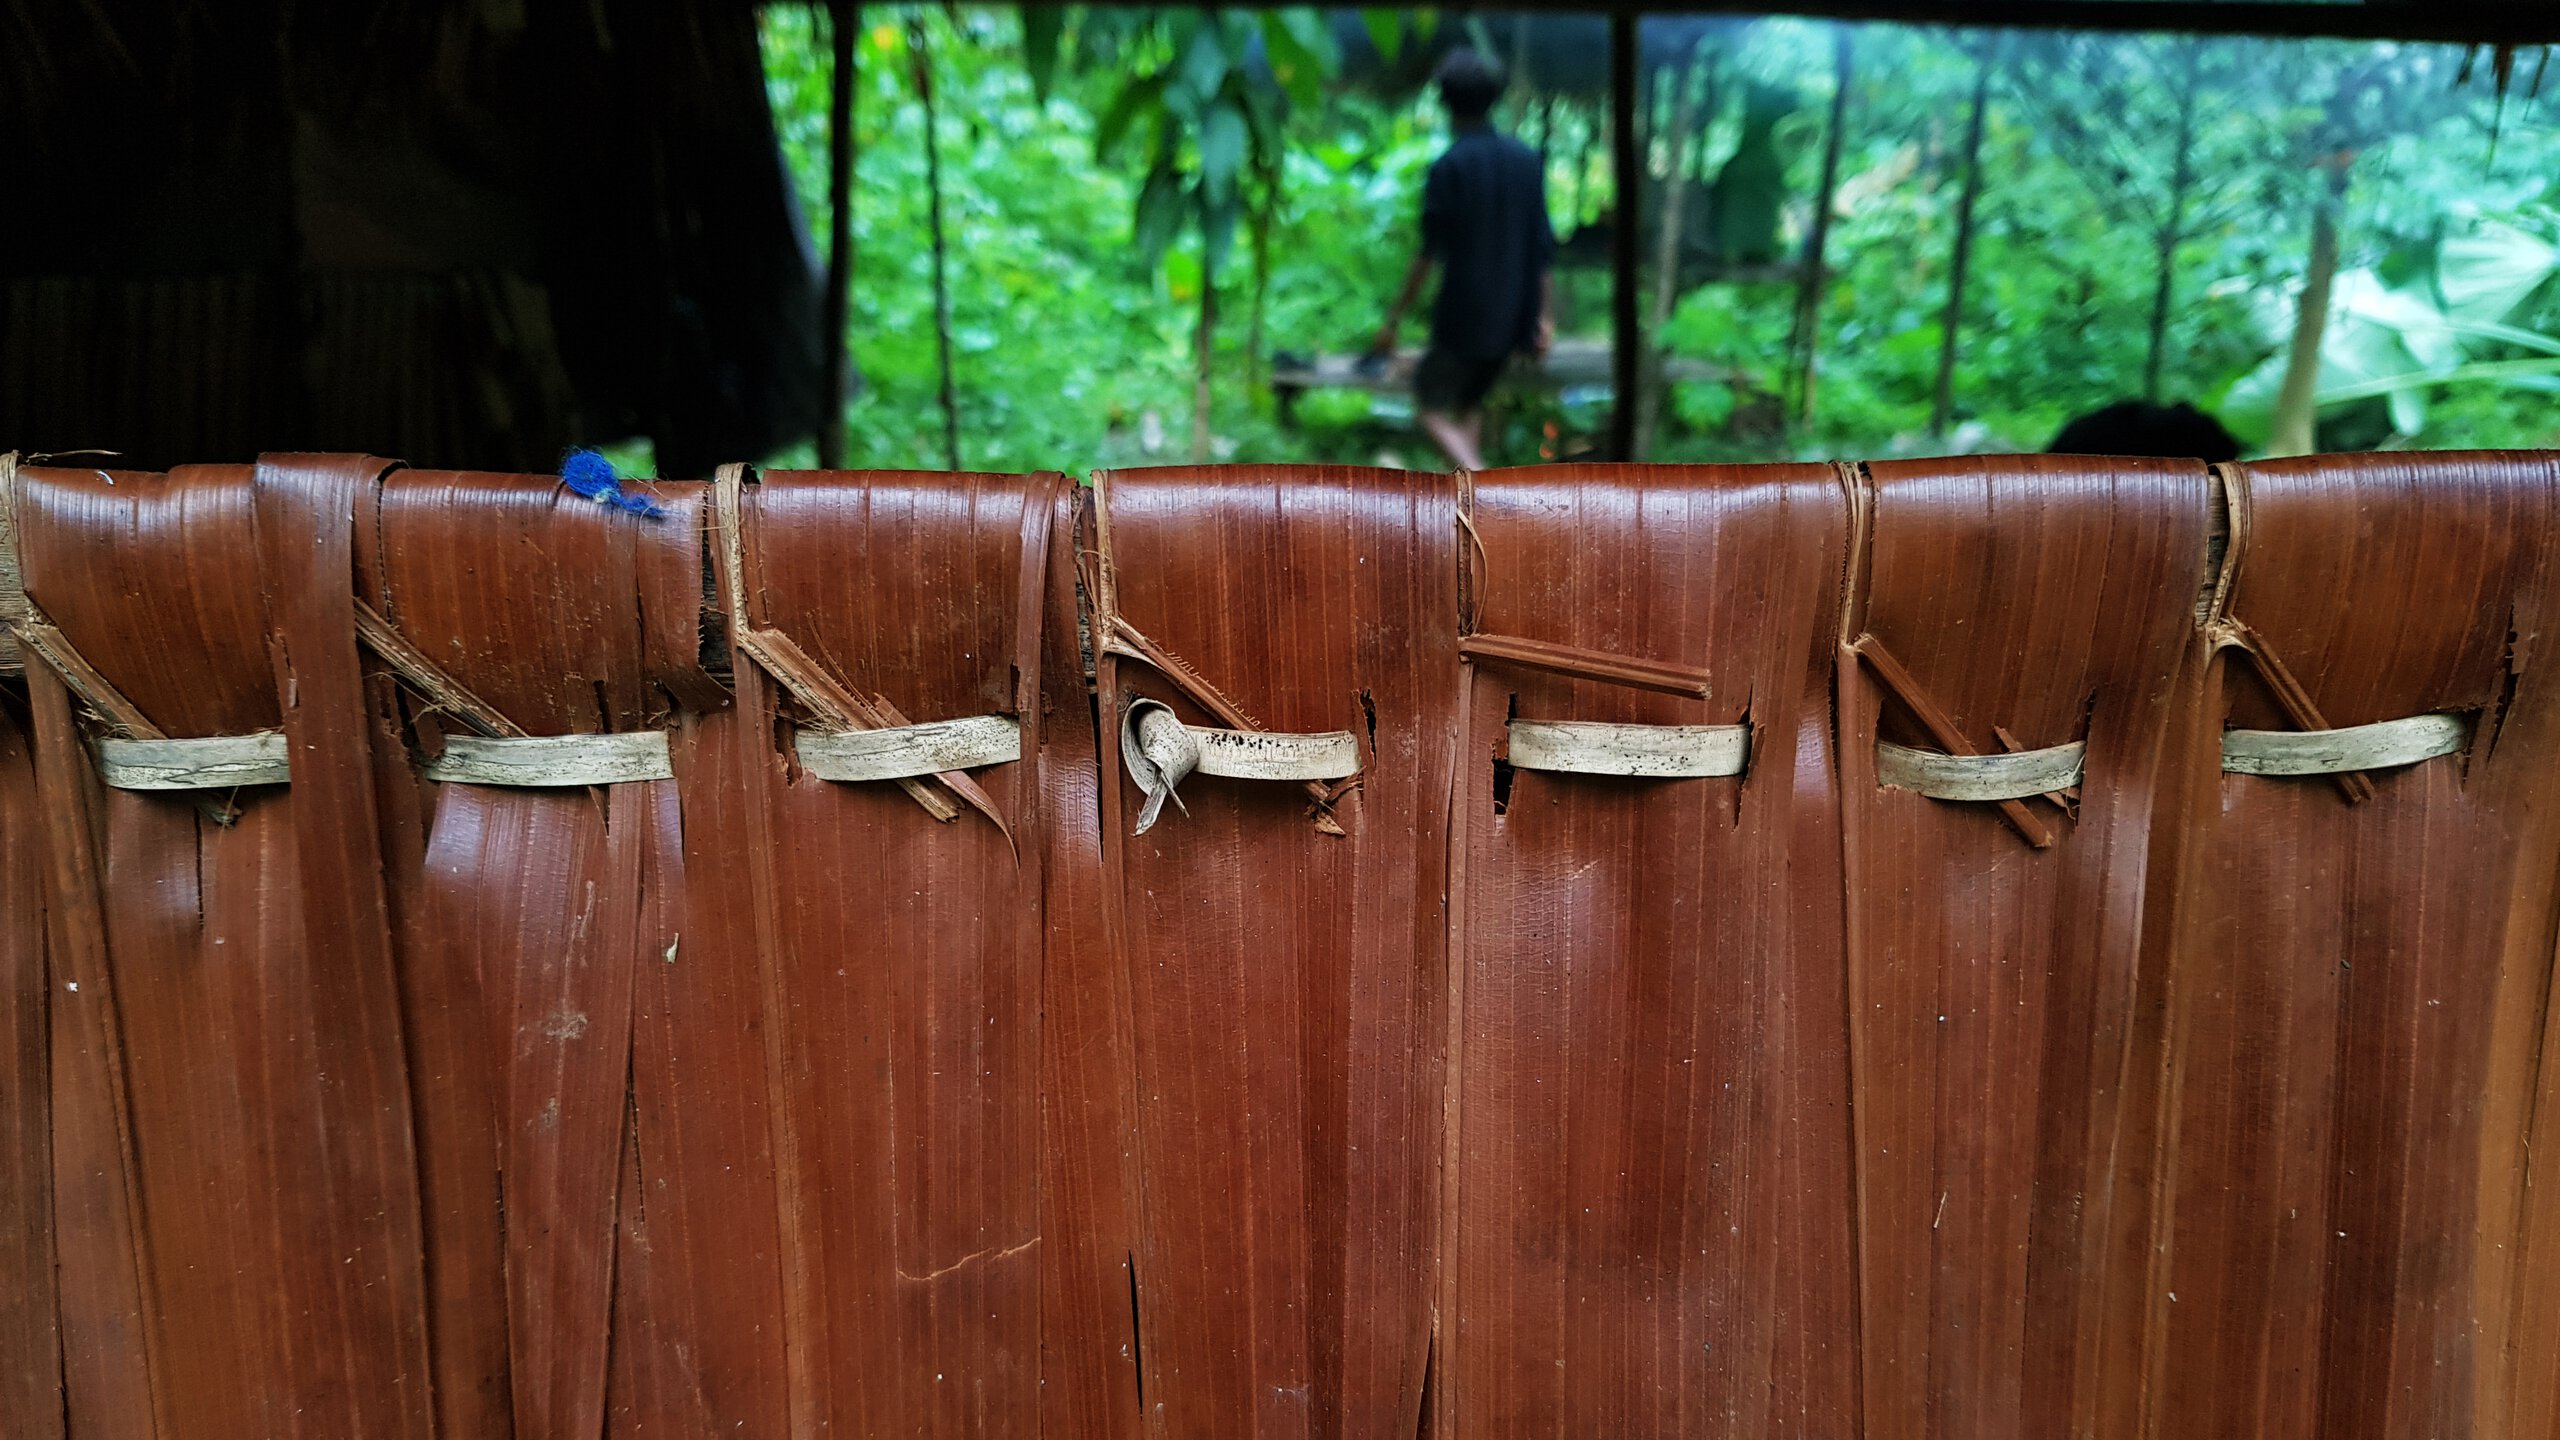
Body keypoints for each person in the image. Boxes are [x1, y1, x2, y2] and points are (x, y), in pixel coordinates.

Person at [1372, 48, 1557, 472]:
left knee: (1429, 405)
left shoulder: (1450, 166)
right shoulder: (1526, 161)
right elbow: (1542, 246)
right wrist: (1544, 318)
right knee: (1468, 402)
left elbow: (1428, 253)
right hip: (1515, 314)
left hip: (1466, 314)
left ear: (1444, 101)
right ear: (1492, 99)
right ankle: (1468, 512)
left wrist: (1394, 318)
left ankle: (1484, 488)